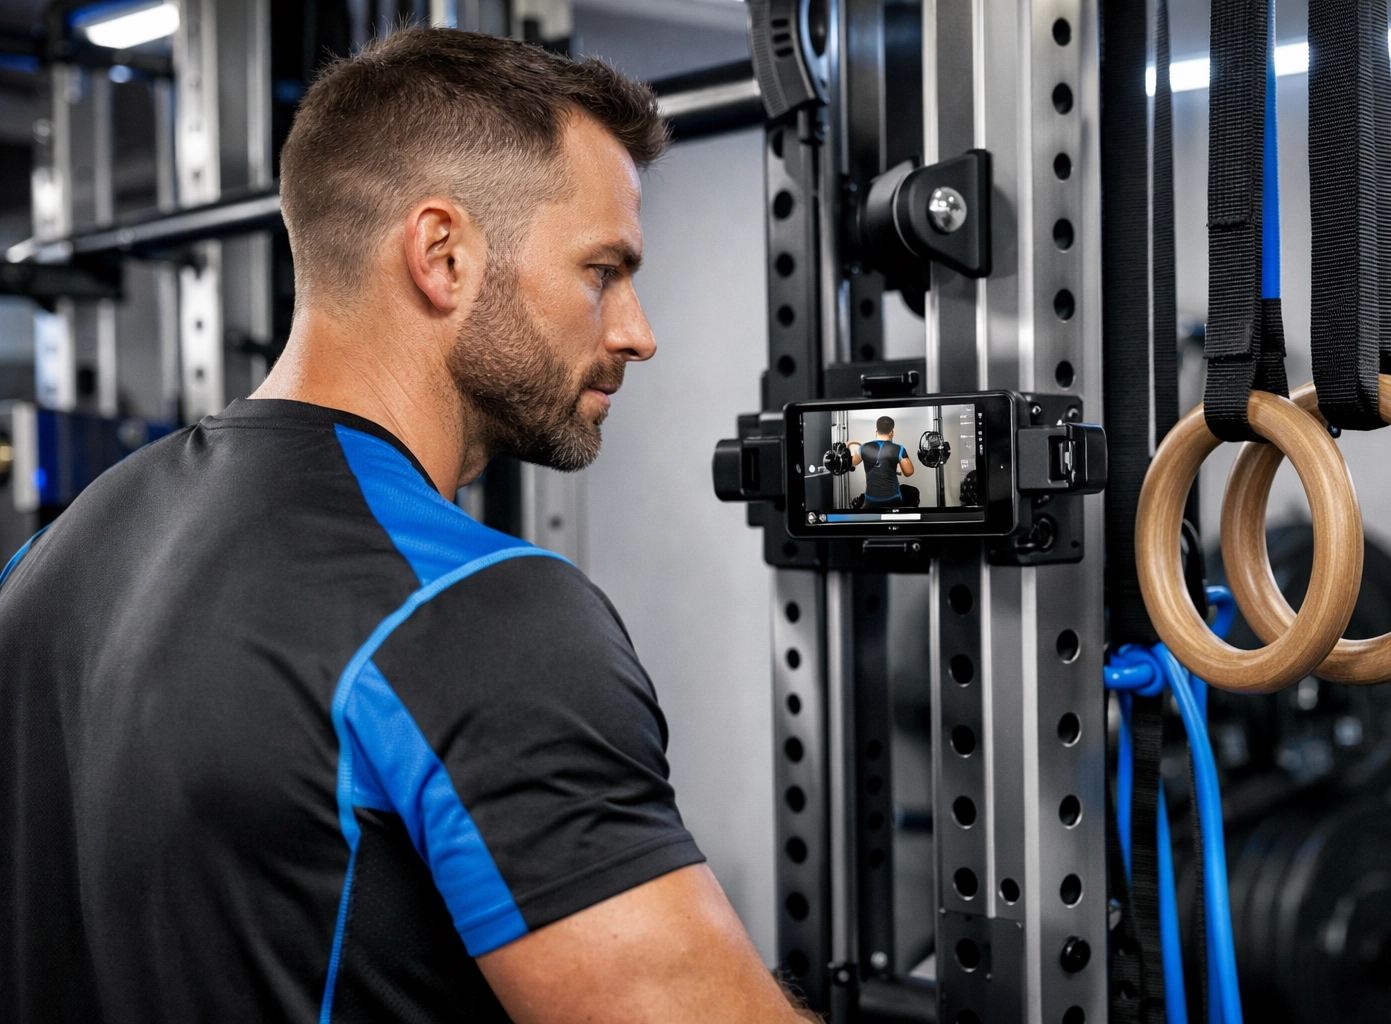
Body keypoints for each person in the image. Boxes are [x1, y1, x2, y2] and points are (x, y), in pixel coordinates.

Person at [0, 30, 813, 1024]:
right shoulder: (475, 611)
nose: (636, 330)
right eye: (604, 270)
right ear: (444, 256)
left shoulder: (46, 561)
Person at [848, 415, 916, 507]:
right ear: (892, 432)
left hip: (871, 499)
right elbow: (909, 472)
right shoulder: (899, 449)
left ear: (876, 431)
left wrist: (847, 447)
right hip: (893, 498)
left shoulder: (863, 447)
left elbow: (851, 463)